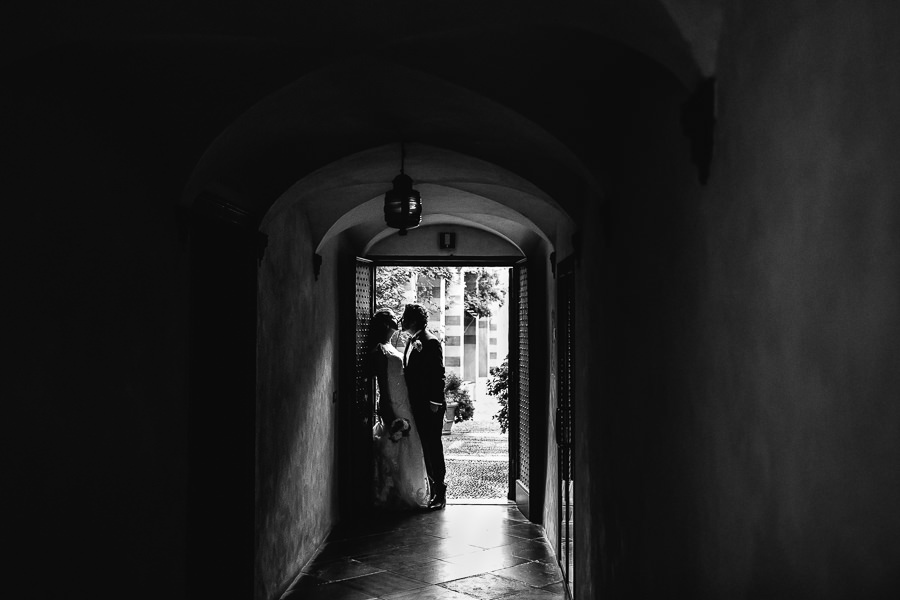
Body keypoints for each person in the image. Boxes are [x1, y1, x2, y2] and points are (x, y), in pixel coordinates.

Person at [369, 308, 431, 510]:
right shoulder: (379, 350)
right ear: (386, 325)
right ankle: (397, 492)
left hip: (404, 400)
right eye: (393, 319)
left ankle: (412, 489)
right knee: (402, 445)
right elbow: (382, 383)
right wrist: (386, 406)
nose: (398, 320)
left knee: (412, 445)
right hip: (395, 402)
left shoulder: (391, 345)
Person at [401, 303, 448, 509]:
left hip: (430, 407)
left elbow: (438, 375)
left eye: (405, 317)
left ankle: (440, 491)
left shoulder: (430, 342)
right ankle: (430, 490)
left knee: (432, 447)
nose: (402, 321)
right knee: (425, 448)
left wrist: (435, 403)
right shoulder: (413, 341)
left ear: (413, 321)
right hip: (417, 405)